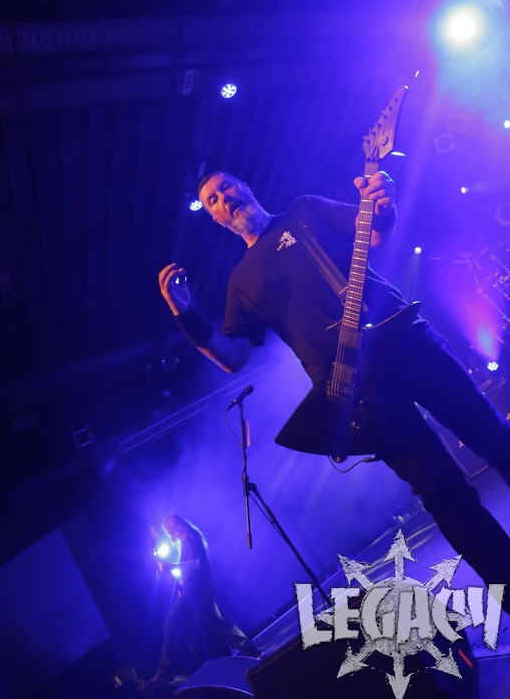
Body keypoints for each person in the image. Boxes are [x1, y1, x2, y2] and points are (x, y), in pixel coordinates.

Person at [158, 171, 510, 612]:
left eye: (226, 187)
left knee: (491, 433)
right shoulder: (242, 281)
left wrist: (384, 203)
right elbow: (233, 356)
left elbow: (375, 231)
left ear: (244, 186)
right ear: (215, 218)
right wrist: (185, 315)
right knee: (443, 493)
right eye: (212, 200)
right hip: (359, 390)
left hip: (403, 339)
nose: (223, 199)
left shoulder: (305, 209)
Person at [151, 514, 261, 684]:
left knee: (172, 621)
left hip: (195, 590)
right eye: (170, 528)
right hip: (197, 589)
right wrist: (182, 582)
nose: (174, 529)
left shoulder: (188, 538)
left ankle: (165, 672)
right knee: (216, 622)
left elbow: (195, 563)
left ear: (180, 524)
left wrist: (170, 567)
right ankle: (251, 648)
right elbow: (193, 566)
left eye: (174, 525)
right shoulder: (188, 539)